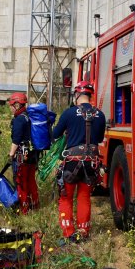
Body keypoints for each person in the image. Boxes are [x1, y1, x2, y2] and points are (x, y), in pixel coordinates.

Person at [52, 82, 106, 243]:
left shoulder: (69, 113)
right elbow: (100, 139)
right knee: (84, 197)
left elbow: (55, 134)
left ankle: (69, 233)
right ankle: (83, 231)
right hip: (91, 163)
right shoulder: (100, 115)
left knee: (66, 198)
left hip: (72, 162)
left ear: (76, 95)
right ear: (90, 96)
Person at [7, 92, 39, 214]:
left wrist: (11, 155)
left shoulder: (19, 119)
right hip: (32, 155)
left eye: (11, 105)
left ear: (16, 104)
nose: (10, 108)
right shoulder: (28, 116)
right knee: (31, 180)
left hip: (22, 156)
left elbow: (16, 140)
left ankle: (24, 209)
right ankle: (35, 205)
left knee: (21, 183)